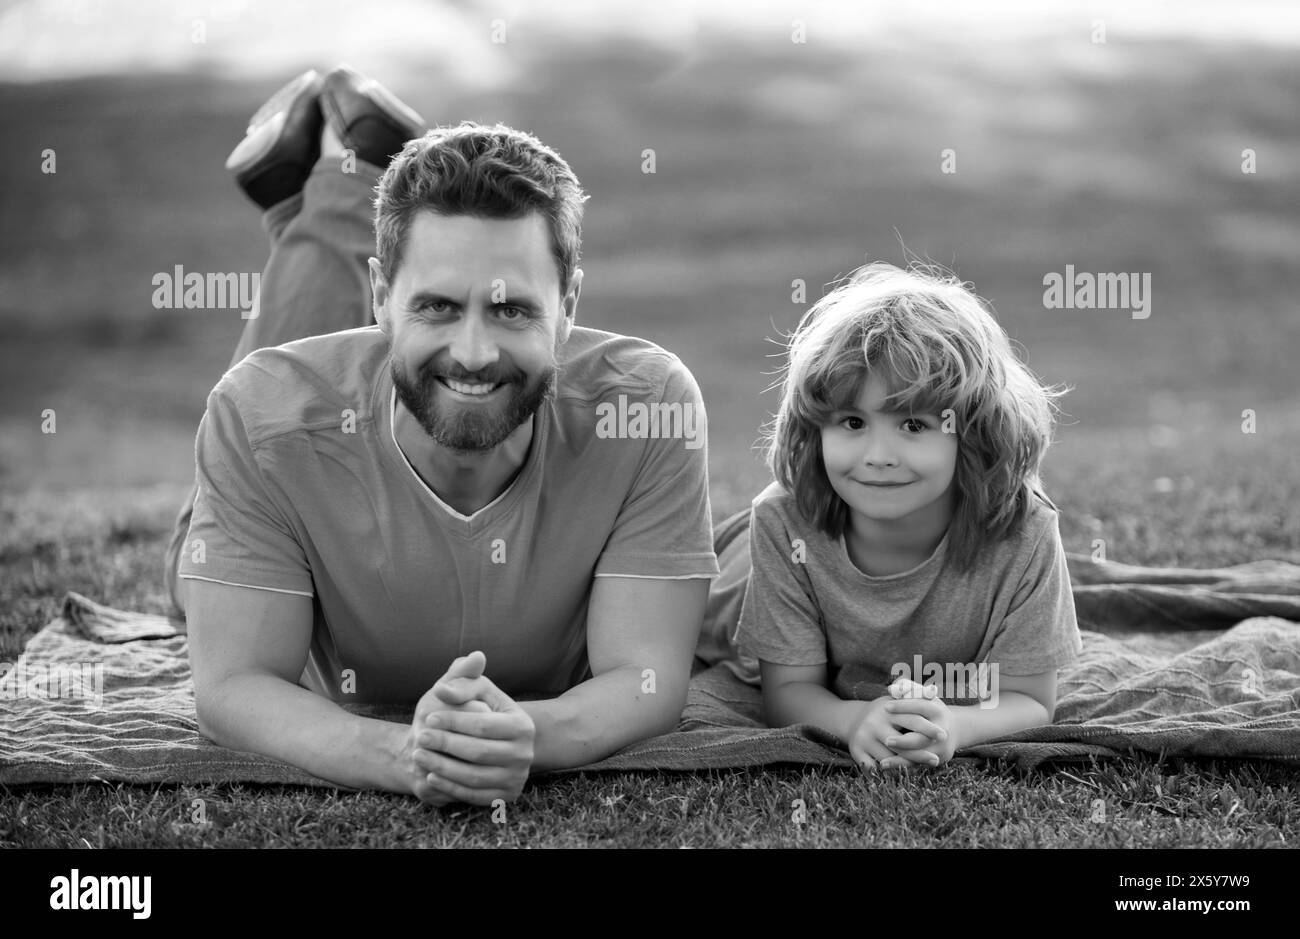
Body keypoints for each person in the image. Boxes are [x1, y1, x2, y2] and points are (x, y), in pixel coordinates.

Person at [165, 66, 719, 807]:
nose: (475, 352)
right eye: (435, 305)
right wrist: (404, 753)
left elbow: (648, 680)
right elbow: (231, 685)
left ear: (570, 305)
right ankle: (339, 184)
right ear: (379, 299)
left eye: (514, 311)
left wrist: (526, 734)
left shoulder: (650, 410)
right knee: (192, 566)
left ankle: (345, 177)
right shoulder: (261, 416)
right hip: (292, 442)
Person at [724, 263, 1082, 772]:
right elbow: (787, 692)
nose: (878, 454)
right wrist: (854, 721)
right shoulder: (784, 523)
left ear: (974, 432)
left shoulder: (1024, 531)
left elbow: (1030, 700)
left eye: (913, 423)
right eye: (852, 422)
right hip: (730, 576)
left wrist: (953, 726)